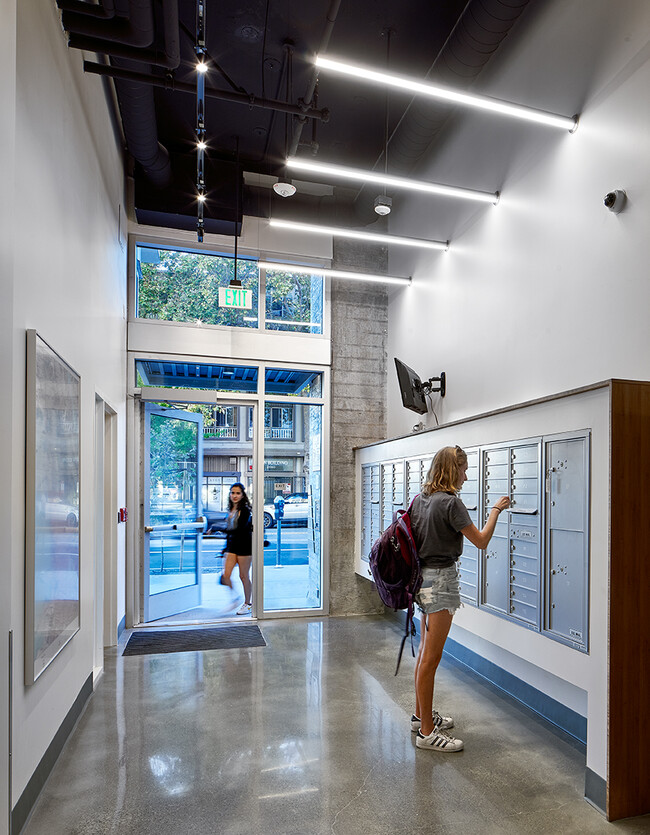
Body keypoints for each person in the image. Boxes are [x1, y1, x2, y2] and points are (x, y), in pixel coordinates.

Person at [410, 445, 510, 752]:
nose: (467, 476)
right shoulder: (451, 502)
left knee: (426, 652)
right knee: (432, 657)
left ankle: (420, 716)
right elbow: (480, 541)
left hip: (423, 579)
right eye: (464, 470)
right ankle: (427, 733)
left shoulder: (421, 499)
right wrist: (496, 510)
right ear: (454, 470)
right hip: (441, 581)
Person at [219, 483, 253, 616]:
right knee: (226, 575)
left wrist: (218, 528)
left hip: (244, 546)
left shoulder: (244, 510)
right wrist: (225, 549)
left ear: (243, 495)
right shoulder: (231, 509)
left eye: (238, 493)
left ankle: (248, 604)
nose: (235, 495)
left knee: (243, 576)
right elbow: (230, 533)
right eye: (233, 493)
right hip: (232, 546)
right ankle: (235, 598)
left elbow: (238, 530)